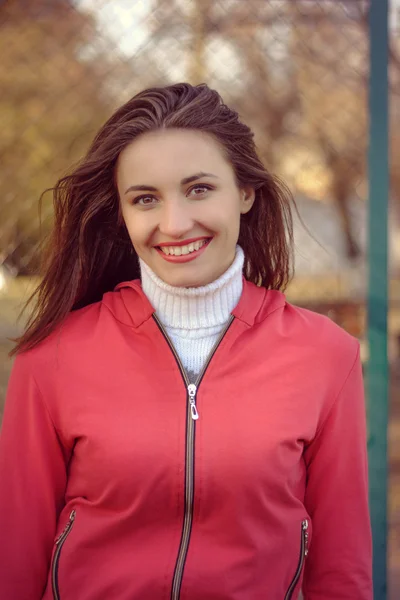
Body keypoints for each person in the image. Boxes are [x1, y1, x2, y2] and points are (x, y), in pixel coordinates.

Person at [0, 83, 372, 599]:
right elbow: (14, 565)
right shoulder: (51, 359)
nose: (174, 224)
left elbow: (342, 570)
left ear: (245, 192)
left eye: (199, 189)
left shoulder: (327, 356)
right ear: (121, 212)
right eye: (145, 198)